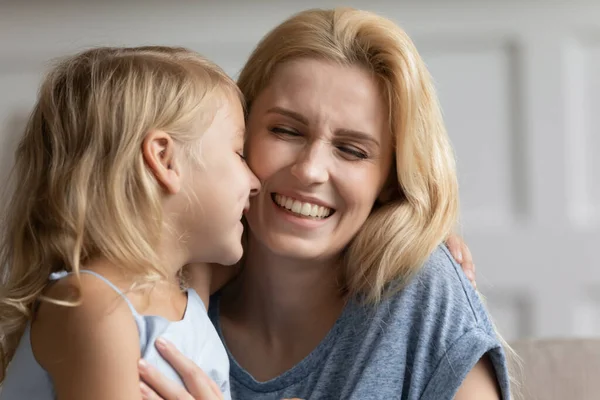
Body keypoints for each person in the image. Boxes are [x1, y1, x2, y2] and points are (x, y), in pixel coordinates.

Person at [137, 7, 511, 400]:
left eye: (352, 150)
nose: (310, 170)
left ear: (390, 180)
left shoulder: (422, 295)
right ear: (239, 133)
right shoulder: (165, 280)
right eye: (285, 130)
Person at [0, 46, 260, 400]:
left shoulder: (183, 294)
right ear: (165, 159)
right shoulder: (92, 307)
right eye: (240, 154)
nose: (255, 181)